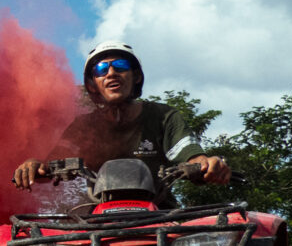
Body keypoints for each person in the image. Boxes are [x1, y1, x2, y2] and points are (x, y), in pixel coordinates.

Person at [13, 40, 231, 190]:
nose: (111, 73)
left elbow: (193, 156)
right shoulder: (83, 126)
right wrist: (33, 165)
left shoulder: (164, 117)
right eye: (101, 70)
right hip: (96, 216)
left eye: (120, 65)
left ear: (136, 76)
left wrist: (209, 164)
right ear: (92, 84)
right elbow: (52, 164)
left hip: (159, 212)